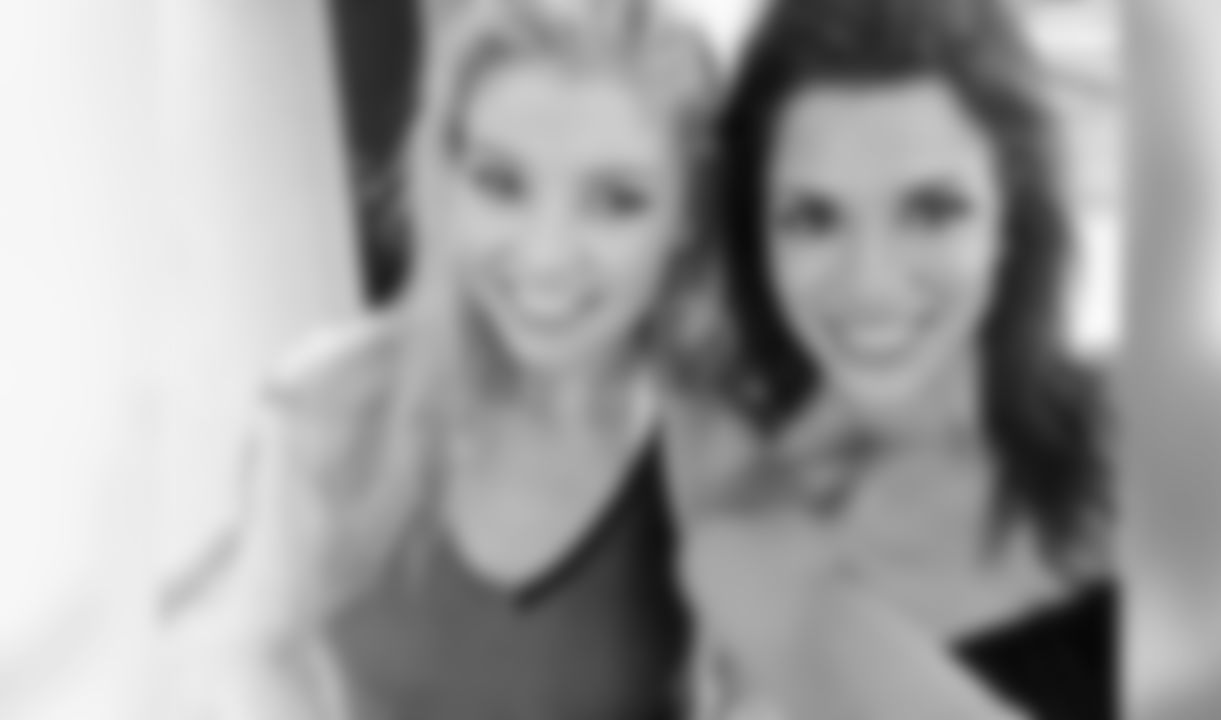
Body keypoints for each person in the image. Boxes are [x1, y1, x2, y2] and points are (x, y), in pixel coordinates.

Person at [170, 1, 723, 718]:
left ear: (687, 219)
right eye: (501, 183)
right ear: (446, 179)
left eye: (616, 201)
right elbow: (258, 648)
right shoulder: (331, 406)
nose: (546, 255)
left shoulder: (723, 449)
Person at [671, 0, 1116, 717]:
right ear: (758, 236)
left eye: (932, 210)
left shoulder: (1154, 433)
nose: (872, 285)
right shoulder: (751, 553)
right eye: (814, 218)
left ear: (1011, 211)